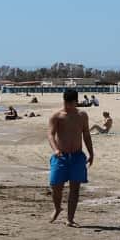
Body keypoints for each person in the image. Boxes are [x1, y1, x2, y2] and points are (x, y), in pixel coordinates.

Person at [47, 88, 95, 225]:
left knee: (75, 189)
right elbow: (50, 134)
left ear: (76, 102)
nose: (68, 105)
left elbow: (86, 134)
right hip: (60, 156)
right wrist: (55, 149)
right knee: (56, 185)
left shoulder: (82, 115)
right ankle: (57, 208)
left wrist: (91, 153)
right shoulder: (57, 116)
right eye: (66, 102)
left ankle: (70, 219)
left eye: (71, 103)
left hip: (77, 156)